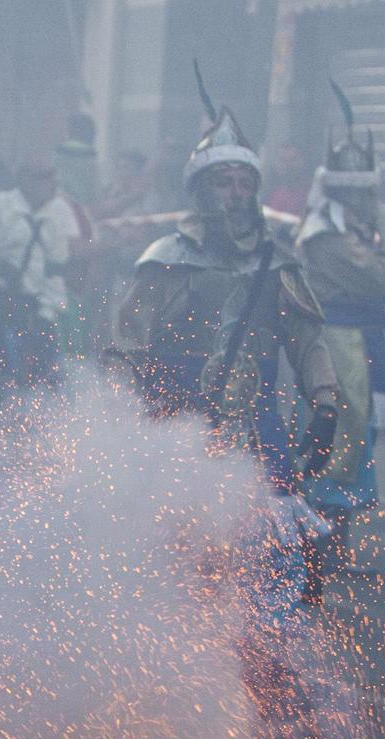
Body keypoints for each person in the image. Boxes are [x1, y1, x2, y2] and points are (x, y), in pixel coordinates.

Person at [112, 90, 342, 621]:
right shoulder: (166, 260)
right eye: (224, 182)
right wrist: (122, 417)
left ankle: (272, 635)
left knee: (274, 525)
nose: (236, 194)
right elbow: (126, 345)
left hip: (255, 415)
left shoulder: (277, 262)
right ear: (199, 189)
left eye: (245, 183)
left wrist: (326, 404)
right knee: (177, 531)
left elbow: (308, 342)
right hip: (176, 413)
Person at [297, 99, 385, 522]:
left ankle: (337, 539)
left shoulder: (346, 227)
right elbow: (383, 278)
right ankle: (322, 538)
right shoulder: (328, 236)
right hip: (337, 340)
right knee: (344, 429)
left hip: (358, 338)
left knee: (358, 432)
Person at [0, 151, 85, 396]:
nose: (50, 183)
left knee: (47, 393)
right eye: (42, 176)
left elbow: (64, 260)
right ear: (23, 178)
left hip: (41, 315)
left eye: (53, 176)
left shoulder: (60, 210)